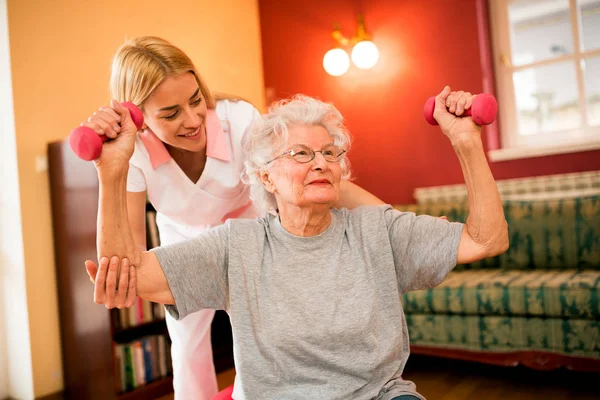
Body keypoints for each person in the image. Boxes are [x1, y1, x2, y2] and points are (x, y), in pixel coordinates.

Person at [86, 88, 509, 399]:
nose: (322, 162)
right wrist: (112, 171)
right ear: (265, 175)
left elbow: (486, 240)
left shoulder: (376, 229)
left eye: (330, 153)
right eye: (301, 154)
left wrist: (467, 141)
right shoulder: (237, 247)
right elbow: (131, 274)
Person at [81, 36, 386, 399]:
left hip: (252, 229)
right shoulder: (134, 151)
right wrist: (109, 167)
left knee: (266, 334)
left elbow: (305, 177)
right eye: (170, 113)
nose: (193, 119)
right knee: (186, 344)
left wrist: (389, 220)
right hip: (184, 237)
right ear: (138, 116)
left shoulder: (239, 119)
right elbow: (126, 257)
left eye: (195, 100)